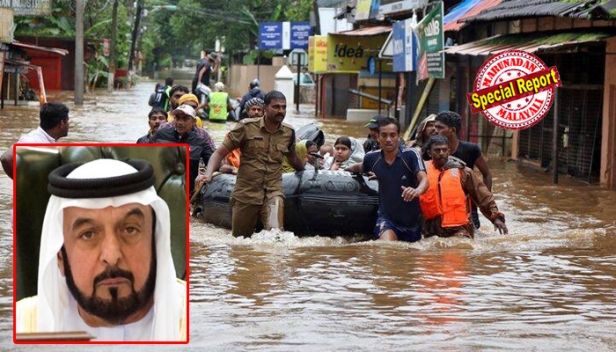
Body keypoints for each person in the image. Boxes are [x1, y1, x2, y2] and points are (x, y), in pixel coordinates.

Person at [15, 158, 187, 341]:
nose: (112, 256)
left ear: (155, 244)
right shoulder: (23, 324)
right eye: (88, 234)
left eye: (130, 229)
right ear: (60, 257)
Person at [198, 91, 305, 237]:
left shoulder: (288, 132)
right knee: (241, 241)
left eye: (283, 107)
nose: (281, 111)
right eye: (276, 107)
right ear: (265, 108)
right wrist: (208, 174)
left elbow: (293, 158)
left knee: (276, 236)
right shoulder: (246, 127)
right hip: (246, 193)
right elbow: (219, 153)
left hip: (273, 191)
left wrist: (307, 171)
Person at [346, 117, 428, 242]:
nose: (388, 139)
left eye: (392, 135)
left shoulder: (411, 155)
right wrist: (343, 169)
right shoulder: (371, 158)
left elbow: (425, 180)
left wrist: (417, 191)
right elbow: (360, 167)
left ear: (398, 137)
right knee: (387, 250)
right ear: (377, 137)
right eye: (384, 135)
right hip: (387, 220)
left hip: (412, 223)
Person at [420, 135, 508, 238]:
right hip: (429, 228)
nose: (441, 153)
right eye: (437, 150)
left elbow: (483, 195)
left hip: (458, 229)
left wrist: (495, 217)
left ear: (448, 151)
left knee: (461, 247)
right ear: (430, 153)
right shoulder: (421, 172)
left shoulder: (463, 172)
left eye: (444, 150)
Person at [434, 111, 493, 229]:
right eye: (435, 126)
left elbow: (486, 174)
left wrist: (483, 201)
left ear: (453, 130)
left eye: (440, 127)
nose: (435, 130)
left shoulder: (471, 149)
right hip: (441, 206)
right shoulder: (431, 150)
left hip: (468, 206)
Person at [151, 104, 214, 194]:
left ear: (194, 122)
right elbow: (146, 155)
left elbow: (212, 160)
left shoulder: (200, 142)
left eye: (185, 119)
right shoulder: (161, 135)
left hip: (187, 192)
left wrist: (222, 168)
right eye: (178, 118)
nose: (180, 122)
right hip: (160, 189)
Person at [1, 102, 70, 179]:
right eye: (67, 121)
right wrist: (22, 181)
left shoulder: (48, 140)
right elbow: (6, 158)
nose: (68, 125)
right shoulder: (32, 140)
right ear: (62, 123)